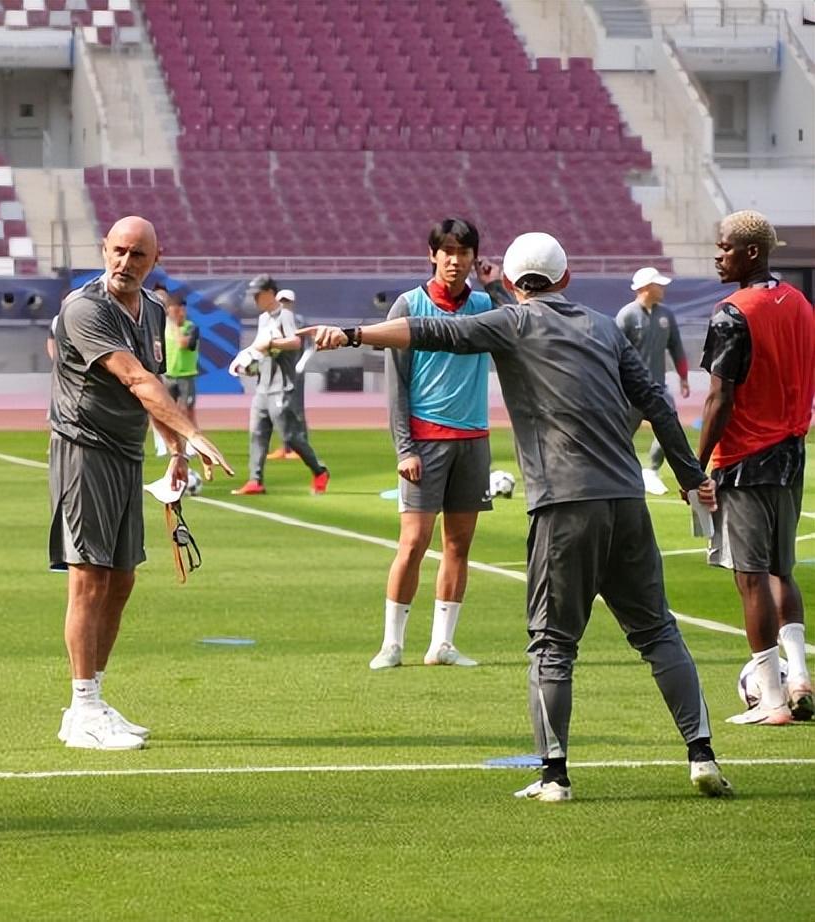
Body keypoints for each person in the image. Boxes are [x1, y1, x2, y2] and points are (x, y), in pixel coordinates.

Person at [301, 232, 733, 802]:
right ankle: (701, 754)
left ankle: (555, 775)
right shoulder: (605, 327)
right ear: (566, 278)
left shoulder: (512, 322)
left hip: (563, 506)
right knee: (658, 632)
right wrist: (691, 475)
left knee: (552, 645)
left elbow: (432, 331)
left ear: (508, 282)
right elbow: (656, 400)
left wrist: (353, 333)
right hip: (627, 501)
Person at [49, 216, 231, 750]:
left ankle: (91, 701)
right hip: (84, 450)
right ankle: (83, 707)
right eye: (119, 251)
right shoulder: (84, 308)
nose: (126, 263)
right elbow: (135, 378)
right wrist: (192, 433)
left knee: (122, 579)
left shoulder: (151, 310)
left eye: (138, 255)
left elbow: (149, 387)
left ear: (156, 260)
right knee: (89, 579)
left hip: (127, 453)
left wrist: (174, 450)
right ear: (104, 249)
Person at [696, 210, 815, 725]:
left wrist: (694, 465)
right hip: (792, 454)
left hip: (744, 459)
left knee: (750, 579)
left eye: (724, 247)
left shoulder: (732, 312)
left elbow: (719, 397)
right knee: (781, 571)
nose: (717, 256)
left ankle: (771, 699)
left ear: (751, 253)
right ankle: (800, 675)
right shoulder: (801, 303)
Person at [373, 219, 495, 671]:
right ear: (432, 255)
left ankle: (442, 643)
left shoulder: (484, 304)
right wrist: (404, 448)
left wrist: (494, 285)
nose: (455, 260)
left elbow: (519, 327)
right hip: (425, 442)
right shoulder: (410, 305)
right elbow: (396, 384)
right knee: (413, 543)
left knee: (459, 546)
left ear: (474, 257)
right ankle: (392, 643)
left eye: (464, 252)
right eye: (447, 251)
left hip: (474, 439)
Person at [228, 274, 330, 495]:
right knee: (257, 433)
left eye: (258, 294)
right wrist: (248, 364)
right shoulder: (264, 319)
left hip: (281, 386)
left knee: (290, 436)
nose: (254, 299)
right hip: (263, 386)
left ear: (269, 293)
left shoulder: (285, 315)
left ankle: (319, 470)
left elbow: (295, 342)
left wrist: (272, 343)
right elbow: (260, 349)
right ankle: (255, 480)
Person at [618, 267, 690, 496]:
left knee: (670, 428)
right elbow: (613, 351)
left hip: (657, 388)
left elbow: (676, 347)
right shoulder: (626, 315)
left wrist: (684, 377)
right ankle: (620, 475)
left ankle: (652, 470)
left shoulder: (666, 315)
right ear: (646, 288)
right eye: (659, 285)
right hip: (630, 392)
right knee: (621, 436)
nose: (663, 289)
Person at [150, 284, 200, 456]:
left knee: (187, 411)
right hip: (168, 376)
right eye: (175, 309)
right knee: (164, 411)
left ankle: (192, 443)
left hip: (186, 376)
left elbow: (184, 344)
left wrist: (176, 326)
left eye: (181, 310)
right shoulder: (162, 328)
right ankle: (164, 444)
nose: (179, 313)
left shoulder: (191, 327)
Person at [268, 289, 311, 461]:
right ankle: (285, 446)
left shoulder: (299, 321)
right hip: (280, 370)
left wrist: (302, 363)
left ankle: (301, 446)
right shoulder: (272, 321)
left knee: (296, 408)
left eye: (286, 302)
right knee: (281, 408)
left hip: (295, 370)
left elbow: (311, 345)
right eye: (281, 301)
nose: (284, 305)